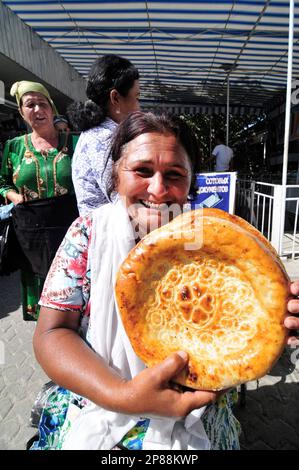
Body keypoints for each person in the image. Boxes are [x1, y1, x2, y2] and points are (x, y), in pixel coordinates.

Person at [32, 112, 299, 451]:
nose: (157, 189)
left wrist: (280, 328)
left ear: (190, 184)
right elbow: (51, 334)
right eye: (142, 171)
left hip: (197, 417)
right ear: (116, 175)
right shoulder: (89, 235)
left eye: (173, 174)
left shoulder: (216, 240)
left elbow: (251, 345)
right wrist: (124, 396)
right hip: (99, 405)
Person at [0, 81, 78, 320]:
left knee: (72, 289)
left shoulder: (74, 143)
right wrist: (13, 196)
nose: (36, 109)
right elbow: (3, 181)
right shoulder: (13, 147)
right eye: (29, 105)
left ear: (51, 109)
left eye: (41, 103)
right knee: (40, 292)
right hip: (31, 234)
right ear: (22, 113)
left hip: (69, 232)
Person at [67, 54, 140, 216]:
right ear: (115, 97)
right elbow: (123, 199)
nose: (139, 107)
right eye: (136, 97)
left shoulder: (98, 133)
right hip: (108, 234)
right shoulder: (104, 138)